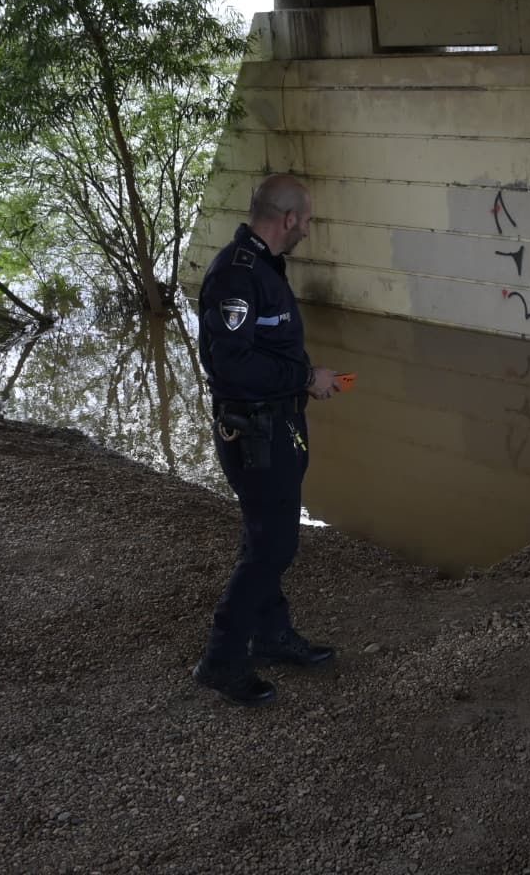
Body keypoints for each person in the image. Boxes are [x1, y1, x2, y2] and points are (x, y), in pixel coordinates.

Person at [192, 173, 343, 707]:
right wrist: (305, 379)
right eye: (307, 219)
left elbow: (267, 350)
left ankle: (271, 635)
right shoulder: (237, 276)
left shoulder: (263, 268)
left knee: (264, 536)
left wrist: (302, 380)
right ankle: (222, 659)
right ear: (288, 220)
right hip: (254, 432)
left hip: (276, 425)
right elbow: (229, 365)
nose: (309, 227)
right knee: (273, 545)